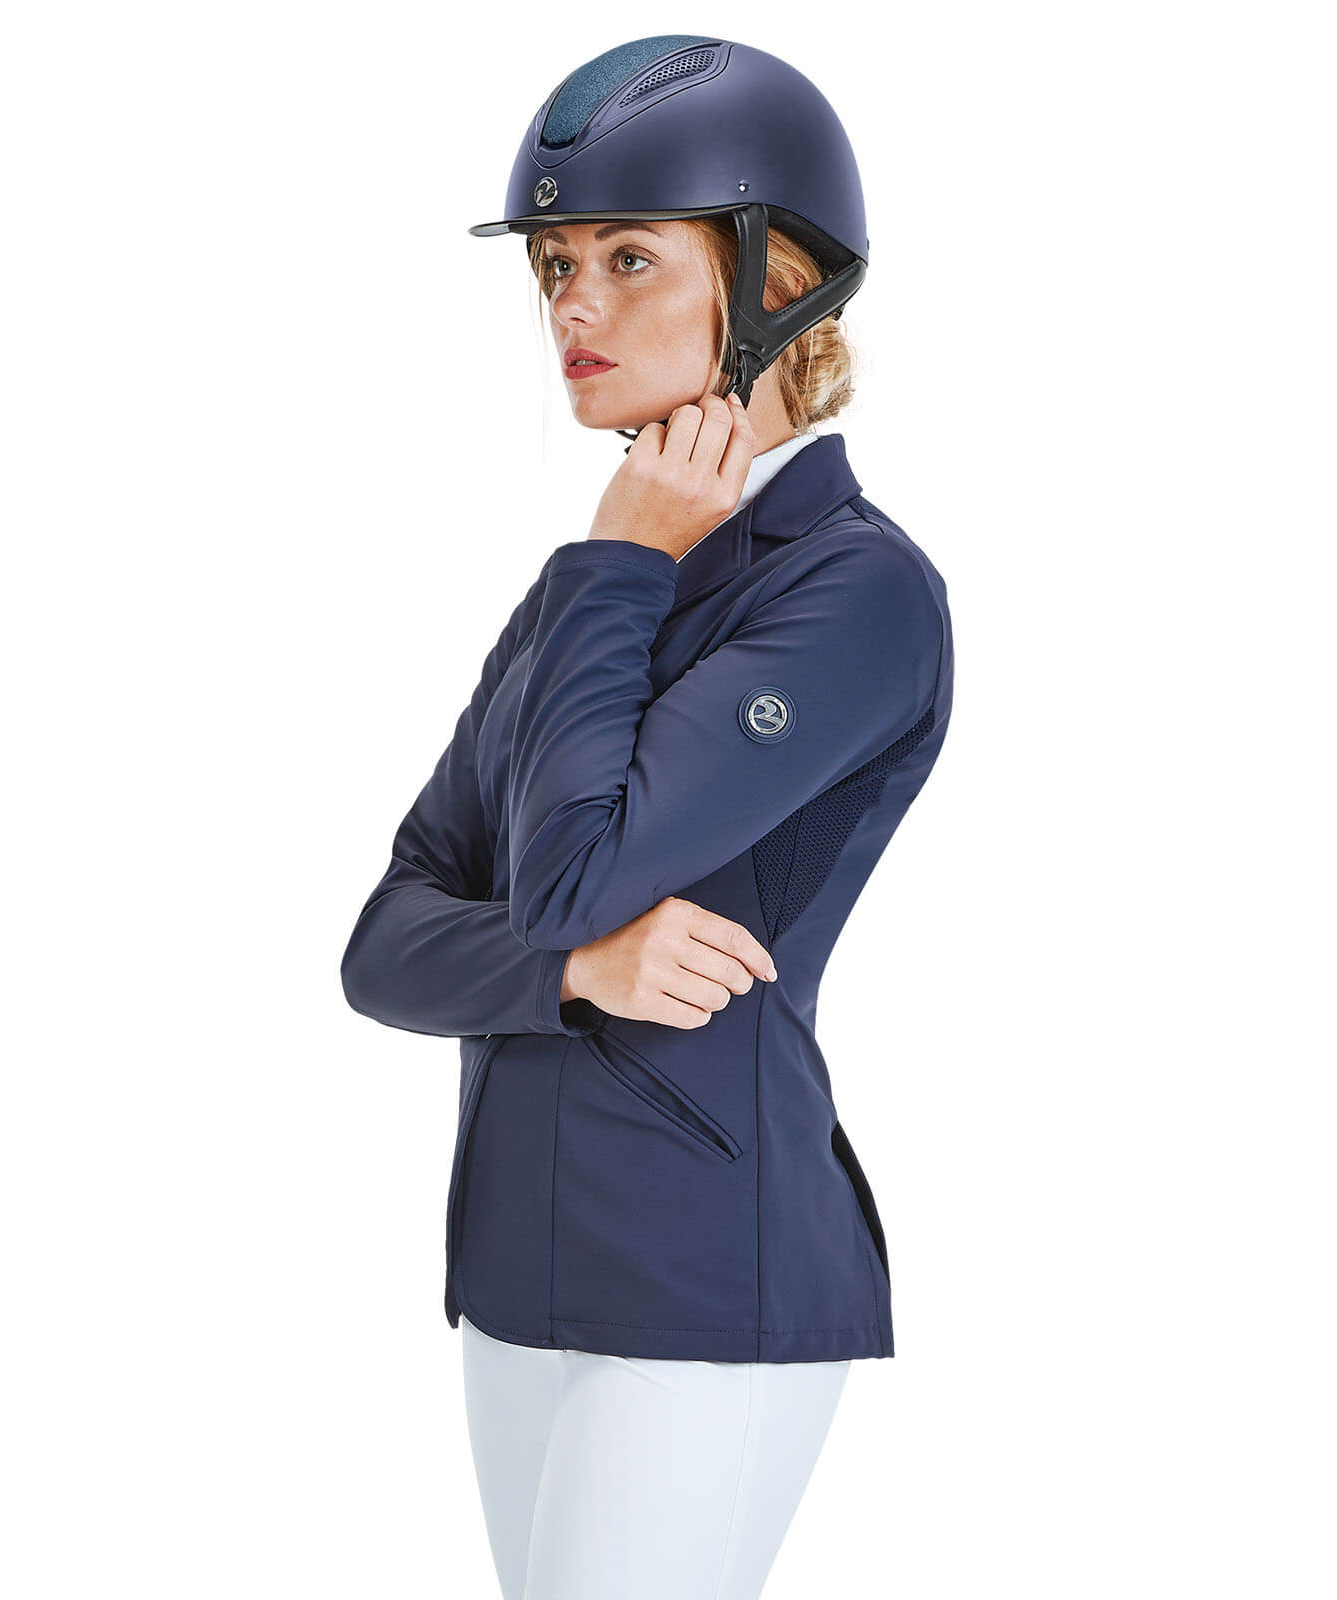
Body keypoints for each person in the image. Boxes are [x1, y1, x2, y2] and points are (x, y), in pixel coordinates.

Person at [341, 35, 955, 1599]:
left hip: (702, 1279)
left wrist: (619, 560)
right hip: (514, 1278)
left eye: (627, 258)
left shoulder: (857, 595)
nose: (572, 307)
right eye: (556, 265)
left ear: (775, 282)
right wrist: (575, 974)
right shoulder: (588, 599)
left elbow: (568, 874)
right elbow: (386, 941)